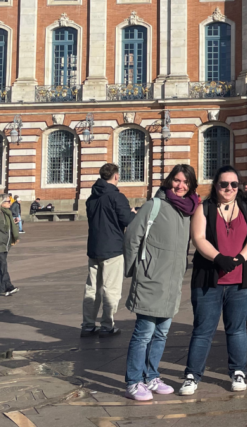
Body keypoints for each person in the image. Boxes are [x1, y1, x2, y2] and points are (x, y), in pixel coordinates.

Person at [179, 166, 247, 396]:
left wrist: (240, 259)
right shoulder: (204, 209)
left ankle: (238, 371)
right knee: (203, 330)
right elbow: (198, 238)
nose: (229, 188)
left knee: (237, 329)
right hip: (208, 279)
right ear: (215, 185)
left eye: (233, 184)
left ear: (239, 187)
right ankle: (192, 375)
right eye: (224, 184)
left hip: (240, 280)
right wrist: (218, 257)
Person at [123, 164, 199, 401]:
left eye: (186, 182)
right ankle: (134, 381)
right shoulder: (154, 206)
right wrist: (136, 270)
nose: (181, 186)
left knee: (162, 333)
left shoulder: (189, 211)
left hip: (172, 281)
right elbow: (131, 237)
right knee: (144, 332)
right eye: (177, 180)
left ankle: (151, 375)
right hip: (150, 279)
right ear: (169, 181)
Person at [82, 163, 135, 337]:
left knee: (92, 288)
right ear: (116, 176)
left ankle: (88, 324)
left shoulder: (92, 197)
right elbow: (127, 220)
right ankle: (107, 324)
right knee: (110, 289)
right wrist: (133, 213)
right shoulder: (115, 196)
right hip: (112, 248)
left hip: (94, 247)